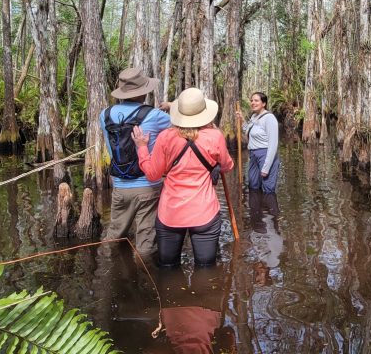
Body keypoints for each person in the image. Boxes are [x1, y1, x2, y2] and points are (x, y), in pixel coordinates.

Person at [132, 88, 234, 267]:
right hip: (205, 213)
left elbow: (153, 174)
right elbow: (228, 166)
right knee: (206, 269)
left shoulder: (165, 137)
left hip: (170, 213)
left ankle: (170, 294)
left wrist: (141, 147)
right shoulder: (215, 136)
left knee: (168, 267)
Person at [100, 67, 171, 258]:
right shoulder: (156, 116)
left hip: (119, 186)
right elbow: (182, 126)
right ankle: (145, 279)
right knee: (146, 240)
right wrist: (172, 106)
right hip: (148, 186)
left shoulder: (104, 115)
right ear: (143, 91)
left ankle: (107, 267)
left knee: (115, 233)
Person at [236, 92, 280, 201]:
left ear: (263, 103)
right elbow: (248, 130)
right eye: (251, 100)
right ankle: (256, 213)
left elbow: (273, 144)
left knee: (267, 189)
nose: (253, 103)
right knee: (253, 185)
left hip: (265, 155)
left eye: (256, 101)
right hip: (253, 155)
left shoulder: (269, 118)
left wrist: (266, 167)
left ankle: (268, 215)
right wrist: (241, 120)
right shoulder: (254, 117)